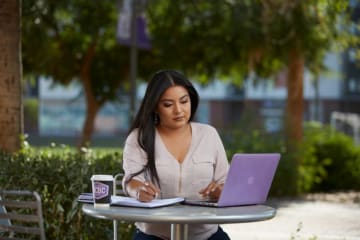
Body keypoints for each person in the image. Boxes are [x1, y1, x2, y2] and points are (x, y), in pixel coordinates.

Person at [122, 70, 231, 240]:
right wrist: (138, 191)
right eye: (168, 104)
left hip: (206, 235)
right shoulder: (139, 138)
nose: (178, 110)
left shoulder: (209, 135)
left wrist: (221, 191)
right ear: (155, 107)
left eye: (184, 101)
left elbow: (226, 182)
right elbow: (131, 181)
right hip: (154, 235)